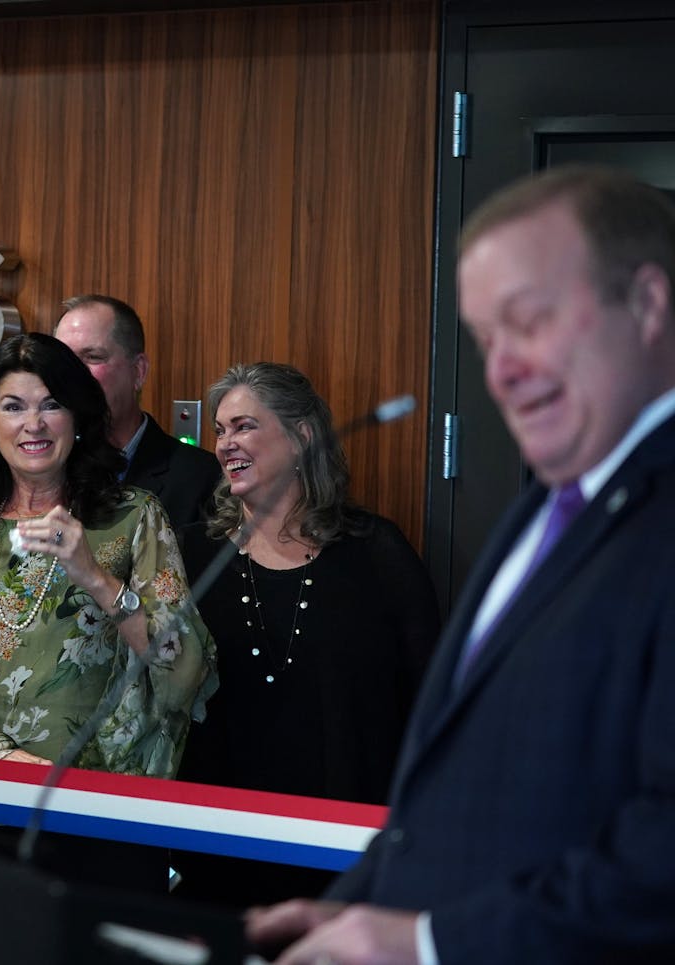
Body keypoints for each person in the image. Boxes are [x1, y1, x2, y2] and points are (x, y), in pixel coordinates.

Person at [247, 166, 675, 964]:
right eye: (487, 339)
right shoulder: (546, 506)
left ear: (648, 304)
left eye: (530, 321)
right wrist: (346, 912)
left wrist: (432, 942)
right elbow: (454, 785)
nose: (501, 370)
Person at [0, 332, 216, 890]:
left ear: (78, 416)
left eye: (51, 404)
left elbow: (183, 668)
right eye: (14, 406)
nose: (34, 424)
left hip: (100, 815)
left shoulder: (135, 517)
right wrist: (6, 760)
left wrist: (96, 577)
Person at [174, 362, 439, 906]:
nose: (226, 444)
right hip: (220, 850)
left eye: (244, 426)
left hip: (347, 853)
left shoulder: (376, 551)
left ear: (302, 436)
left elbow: (430, 697)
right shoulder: (189, 554)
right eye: (220, 430)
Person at [54, 294, 221, 566]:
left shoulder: (201, 479)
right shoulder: (40, 470)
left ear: (138, 371)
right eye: (65, 362)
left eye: (92, 357)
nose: (73, 375)